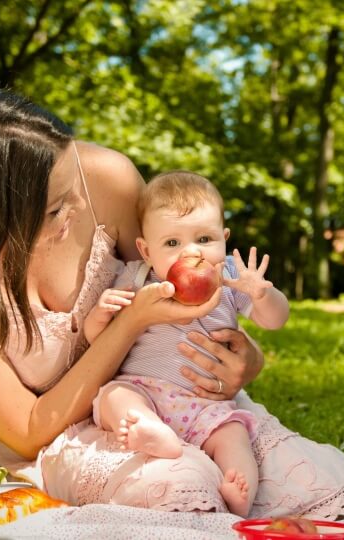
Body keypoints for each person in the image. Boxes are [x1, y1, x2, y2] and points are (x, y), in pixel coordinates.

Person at [0, 88, 344, 517]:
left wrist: (248, 359)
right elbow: (28, 429)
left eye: (72, 188)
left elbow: (183, 292)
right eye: (55, 209)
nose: (77, 209)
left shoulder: (105, 179)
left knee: (322, 493)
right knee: (184, 494)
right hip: (71, 439)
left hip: (185, 400)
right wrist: (127, 324)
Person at [83, 170, 289, 516]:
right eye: (172, 243)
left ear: (224, 239)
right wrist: (100, 315)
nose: (191, 252)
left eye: (205, 239)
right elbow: (97, 341)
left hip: (205, 404)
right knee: (115, 396)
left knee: (234, 434)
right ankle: (150, 430)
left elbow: (275, 320)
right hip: (145, 389)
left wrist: (262, 295)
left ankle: (240, 489)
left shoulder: (229, 279)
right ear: (146, 251)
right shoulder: (136, 278)